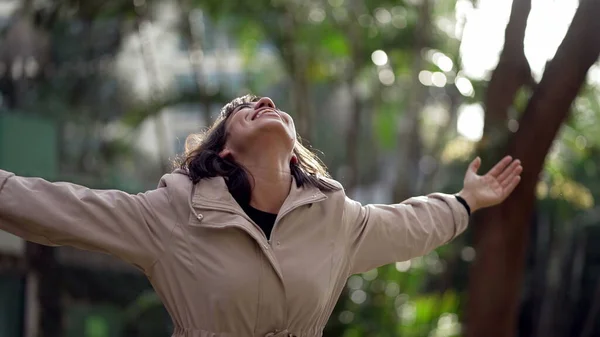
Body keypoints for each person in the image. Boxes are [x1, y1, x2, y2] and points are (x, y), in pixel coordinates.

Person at [0, 94, 522, 337]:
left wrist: (466, 201)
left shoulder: (336, 221)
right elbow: (58, 207)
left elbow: (410, 225)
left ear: (295, 152)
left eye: (269, 102)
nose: (264, 101)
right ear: (224, 149)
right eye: (242, 108)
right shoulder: (171, 214)